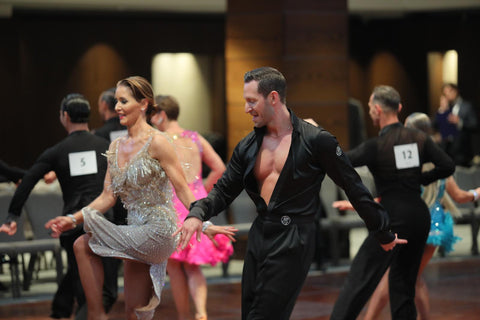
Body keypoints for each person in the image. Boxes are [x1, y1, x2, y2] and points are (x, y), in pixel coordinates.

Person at [175, 67, 405, 320]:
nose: (246, 108)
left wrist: (382, 230)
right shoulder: (247, 146)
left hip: (295, 238)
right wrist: (197, 213)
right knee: (250, 313)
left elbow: (354, 187)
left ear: (273, 97)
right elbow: (223, 190)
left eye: (252, 101)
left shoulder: (317, 140)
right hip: (260, 234)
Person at [44, 76, 237, 320]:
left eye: (123, 101)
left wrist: (204, 221)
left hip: (158, 232)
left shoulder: (158, 142)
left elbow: (183, 189)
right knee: (133, 312)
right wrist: (72, 219)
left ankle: (96, 316)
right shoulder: (115, 147)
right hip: (135, 232)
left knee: (82, 245)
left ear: (143, 104)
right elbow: (107, 197)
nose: (117, 107)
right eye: (116, 101)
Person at [330, 86, 455, 320]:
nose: (369, 112)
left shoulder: (375, 147)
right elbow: (448, 166)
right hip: (419, 218)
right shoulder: (419, 139)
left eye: (369, 108)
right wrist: (420, 179)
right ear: (398, 108)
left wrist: (320, 141)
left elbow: (342, 160)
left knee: (359, 279)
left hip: (391, 220)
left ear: (377, 110)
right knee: (403, 285)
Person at [356, 112, 480, 320]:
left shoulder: (406, 161)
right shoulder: (437, 160)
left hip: (409, 223)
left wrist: (359, 204)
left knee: (394, 277)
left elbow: (392, 195)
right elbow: (459, 196)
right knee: (414, 278)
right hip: (433, 226)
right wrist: (476, 193)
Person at [0, 93, 113, 319]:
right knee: (104, 292)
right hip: (104, 222)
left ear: (65, 116)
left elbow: (28, 181)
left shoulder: (57, 151)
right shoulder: (106, 146)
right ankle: (64, 309)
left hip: (71, 226)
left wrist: (12, 216)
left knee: (85, 289)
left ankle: (62, 309)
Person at [150, 94, 233, 320]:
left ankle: (184, 316)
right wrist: (201, 189)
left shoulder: (159, 140)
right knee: (193, 267)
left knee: (175, 268)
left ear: (161, 116)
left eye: (152, 115)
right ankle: (202, 313)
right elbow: (219, 168)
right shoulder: (195, 137)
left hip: (173, 205)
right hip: (196, 202)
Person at [433, 83, 478, 166]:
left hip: (462, 152)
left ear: (455, 91)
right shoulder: (447, 107)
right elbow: (435, 124)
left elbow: (474, 125)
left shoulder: (467, 106)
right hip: (446, 150)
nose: (447, 95)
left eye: (448, 92)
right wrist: (442, 110)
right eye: (445, 93)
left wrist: (459, 122)